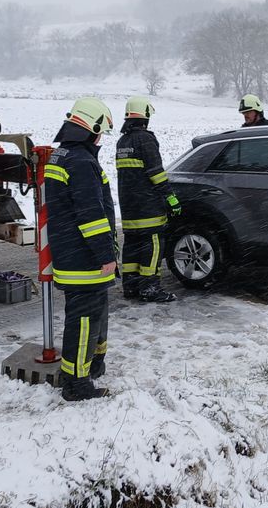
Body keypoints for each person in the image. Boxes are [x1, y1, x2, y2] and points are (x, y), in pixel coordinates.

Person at [45, 97, 117, 401]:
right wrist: (106, 254)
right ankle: (77, 383)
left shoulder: (61, 155)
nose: (101, 139)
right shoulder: (82, 161)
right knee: (86, 319)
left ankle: (92, 365)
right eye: (100, 133)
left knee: (92, 312)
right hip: (84, 259)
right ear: (93, 128)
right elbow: (91, 214)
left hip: (69, 252)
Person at [116, 96, 181, 303]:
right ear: (145, 117)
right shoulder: (145, 139)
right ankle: (150, 287)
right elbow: (156, 173)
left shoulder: (123, 141)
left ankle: (131, 286)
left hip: (129, 207)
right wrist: (170, 197)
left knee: (132, 246)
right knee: (153, 245)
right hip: (148, 207)